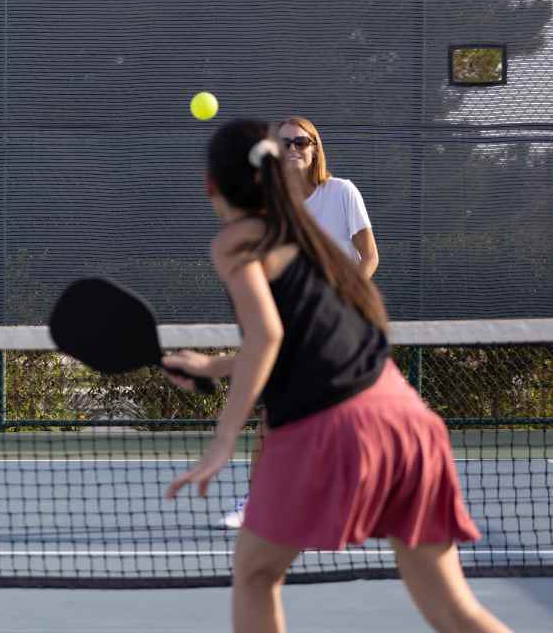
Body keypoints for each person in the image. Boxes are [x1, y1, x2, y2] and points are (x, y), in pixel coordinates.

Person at [163, 119, 506, 633]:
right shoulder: (311, 240)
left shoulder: (235, 243)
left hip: (335, 429)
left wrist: (223, 439)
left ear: (211, 186)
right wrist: (214, 366)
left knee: (255, 575)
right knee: (456, 612)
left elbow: (267, 338)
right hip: (409, 422)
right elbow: (301, 340)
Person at [219, 115, 380, 529]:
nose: (294, 149)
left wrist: (342, 298)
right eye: (286, 143)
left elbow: (370, 256)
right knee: (274, 417)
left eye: (302, 142)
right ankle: (258, 502)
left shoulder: (342, 192)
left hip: (339, 323)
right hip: (292, 324)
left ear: (315, 148)